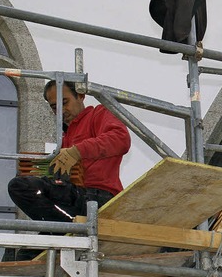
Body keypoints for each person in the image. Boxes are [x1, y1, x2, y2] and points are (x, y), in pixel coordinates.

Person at [7, 81, 131, 259]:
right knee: (24, 258)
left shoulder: (98, 114)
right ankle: (65, 229)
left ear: (81, 96)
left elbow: (121, 138)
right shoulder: (66, 136)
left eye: (64, 103)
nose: (60, 111)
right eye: (54, 107)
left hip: (98, 198)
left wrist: (77, 151)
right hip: (74, 202)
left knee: (19, 186)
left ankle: (67, 229)